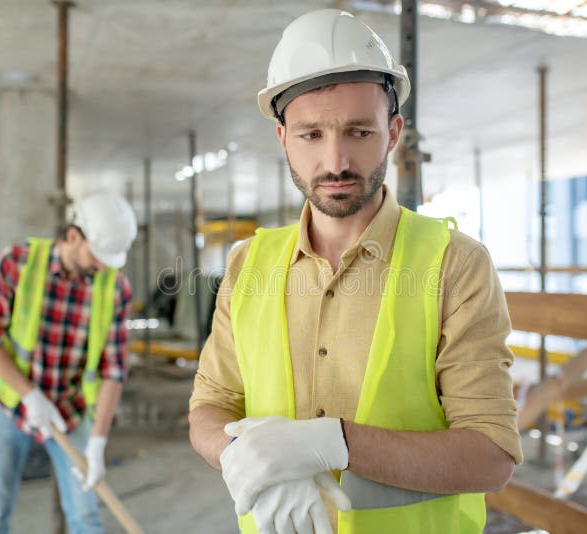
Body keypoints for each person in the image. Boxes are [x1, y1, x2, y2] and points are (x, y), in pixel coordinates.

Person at [189, 9, 522, 534]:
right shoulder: (247, 263)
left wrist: (332, 444)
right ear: (283, 139)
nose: (336, 160)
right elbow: (212, 404)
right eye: (311, 134)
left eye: (359, 131)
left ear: (392, 133)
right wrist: (248, 462)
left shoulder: (455, 264)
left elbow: (491, 454)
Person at [0, 191, 137, 534]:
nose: (103, 266)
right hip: (9, 406)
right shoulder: (16, 263)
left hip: (70, 411)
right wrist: (30, 395)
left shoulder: (114, 287)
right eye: (98, 255)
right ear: (73, 236)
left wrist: (98, 442)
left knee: (86, 515)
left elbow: (114, 370)